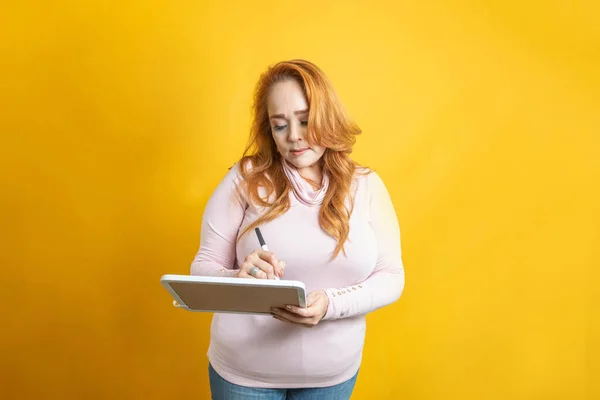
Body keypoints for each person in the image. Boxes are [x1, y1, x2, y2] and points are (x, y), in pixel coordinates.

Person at [190, 59, 405, 400]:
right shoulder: (244, 179)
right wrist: (238, 278)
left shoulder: (367, 187)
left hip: (332, 378)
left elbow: (392, 276)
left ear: (326, 116)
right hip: (244, 376)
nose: (293, 136)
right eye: (279, 126)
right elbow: (201, 268)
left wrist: (330, 304)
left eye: (305, 121)